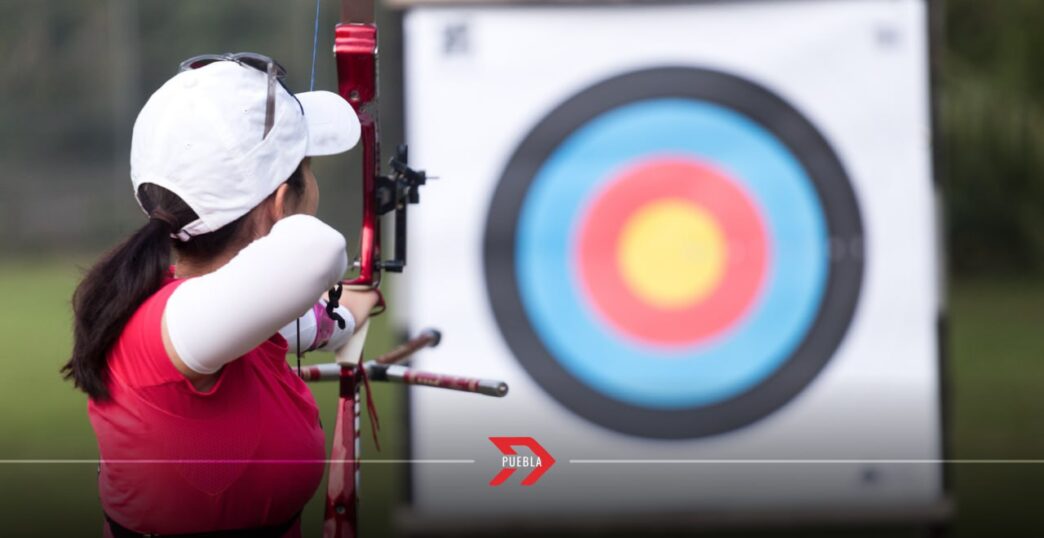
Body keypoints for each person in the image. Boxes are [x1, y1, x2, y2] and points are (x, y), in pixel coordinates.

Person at [61, 53, 377, 537]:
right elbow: (318, 251)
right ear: (277, 203)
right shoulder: (173, 325)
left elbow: (299, 324)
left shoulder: (219, 319)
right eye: (305, 168)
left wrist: (351, 313)